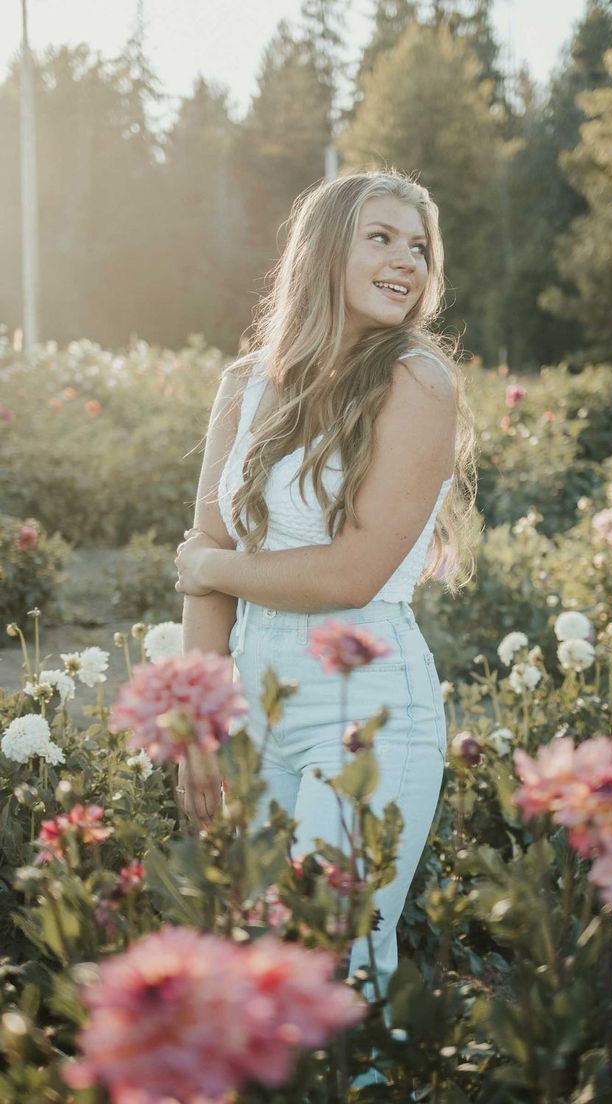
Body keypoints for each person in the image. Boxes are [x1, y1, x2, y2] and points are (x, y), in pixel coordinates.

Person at [173, 169, 477, 1005]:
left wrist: (212, 567)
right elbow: (207, 544)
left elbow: (353, 571)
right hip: (254, 702)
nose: (406, 261)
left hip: (369, 704)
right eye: (380, 237)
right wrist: (199, 719)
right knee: (253, 970)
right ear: (324, 249)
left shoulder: (417, 381)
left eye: (418, 247)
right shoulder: (247, 382)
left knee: (331, 976)